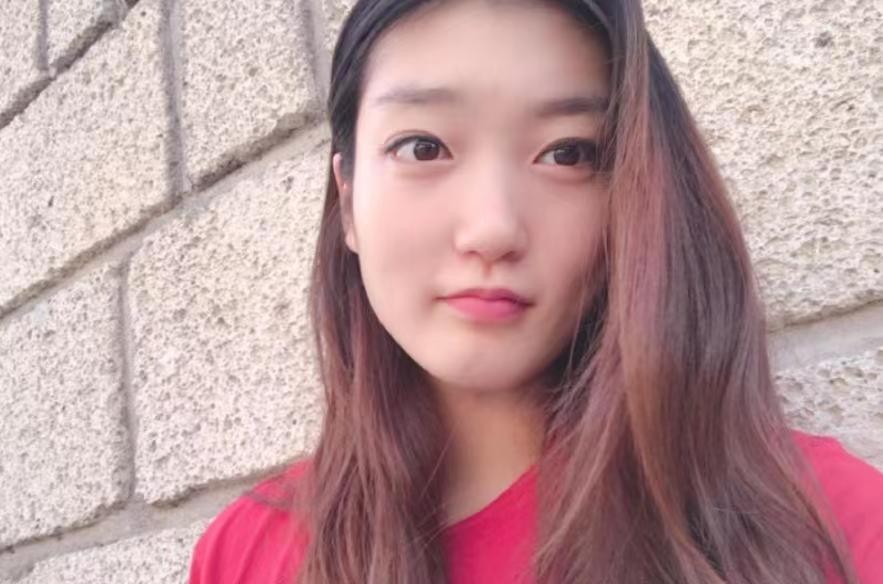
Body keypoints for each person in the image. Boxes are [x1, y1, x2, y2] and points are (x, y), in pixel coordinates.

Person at [187, 0, 883, 582]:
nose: (492, 227)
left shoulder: (824, 526)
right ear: (347, 200)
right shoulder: (244, 554)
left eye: (568, 153)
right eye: (423, 147)